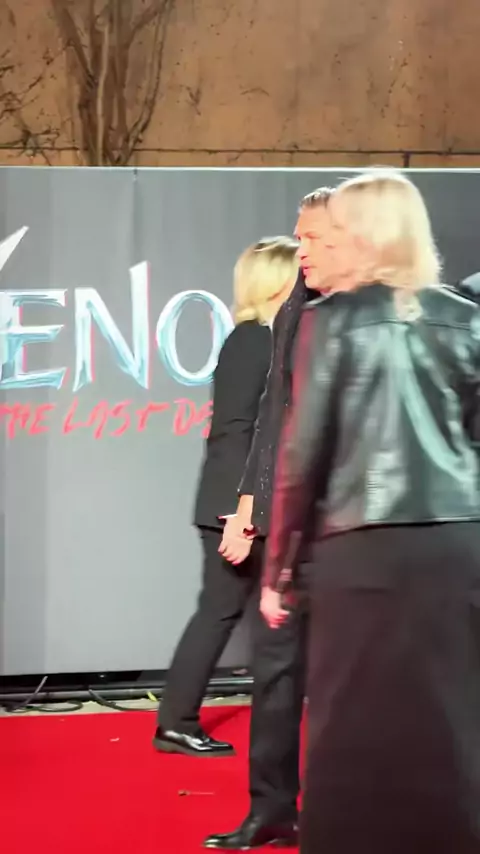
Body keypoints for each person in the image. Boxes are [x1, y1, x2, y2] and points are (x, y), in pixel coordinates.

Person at [262, 170, 480, 854]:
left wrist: (279, 567)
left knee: (348, 719)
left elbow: (303, 456)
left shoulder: (329, 320)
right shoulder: (468, 317)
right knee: (452, 712)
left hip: (362, 546)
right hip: (457, 544)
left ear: (362, 232)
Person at [204, 187, 334, 849]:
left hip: (358, 528)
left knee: (352, 683)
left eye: (312, 238)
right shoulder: (292, 313)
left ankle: (350, 811)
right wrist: (248, 511)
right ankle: (271, 808)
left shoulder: (387, 311)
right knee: (275, 670)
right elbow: (271, 422)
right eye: (298, 237)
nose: (300, 251)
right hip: (290, 528)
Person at [153, 236, 299, 757]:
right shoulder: (254, 341)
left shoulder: (269, 339)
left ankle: (178, 721)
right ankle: (176, 722)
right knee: (220, 610)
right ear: (279, 281)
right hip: (234, 504)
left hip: (247, 501)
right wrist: (244, 513)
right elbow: (238, 431)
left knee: (244, 610)